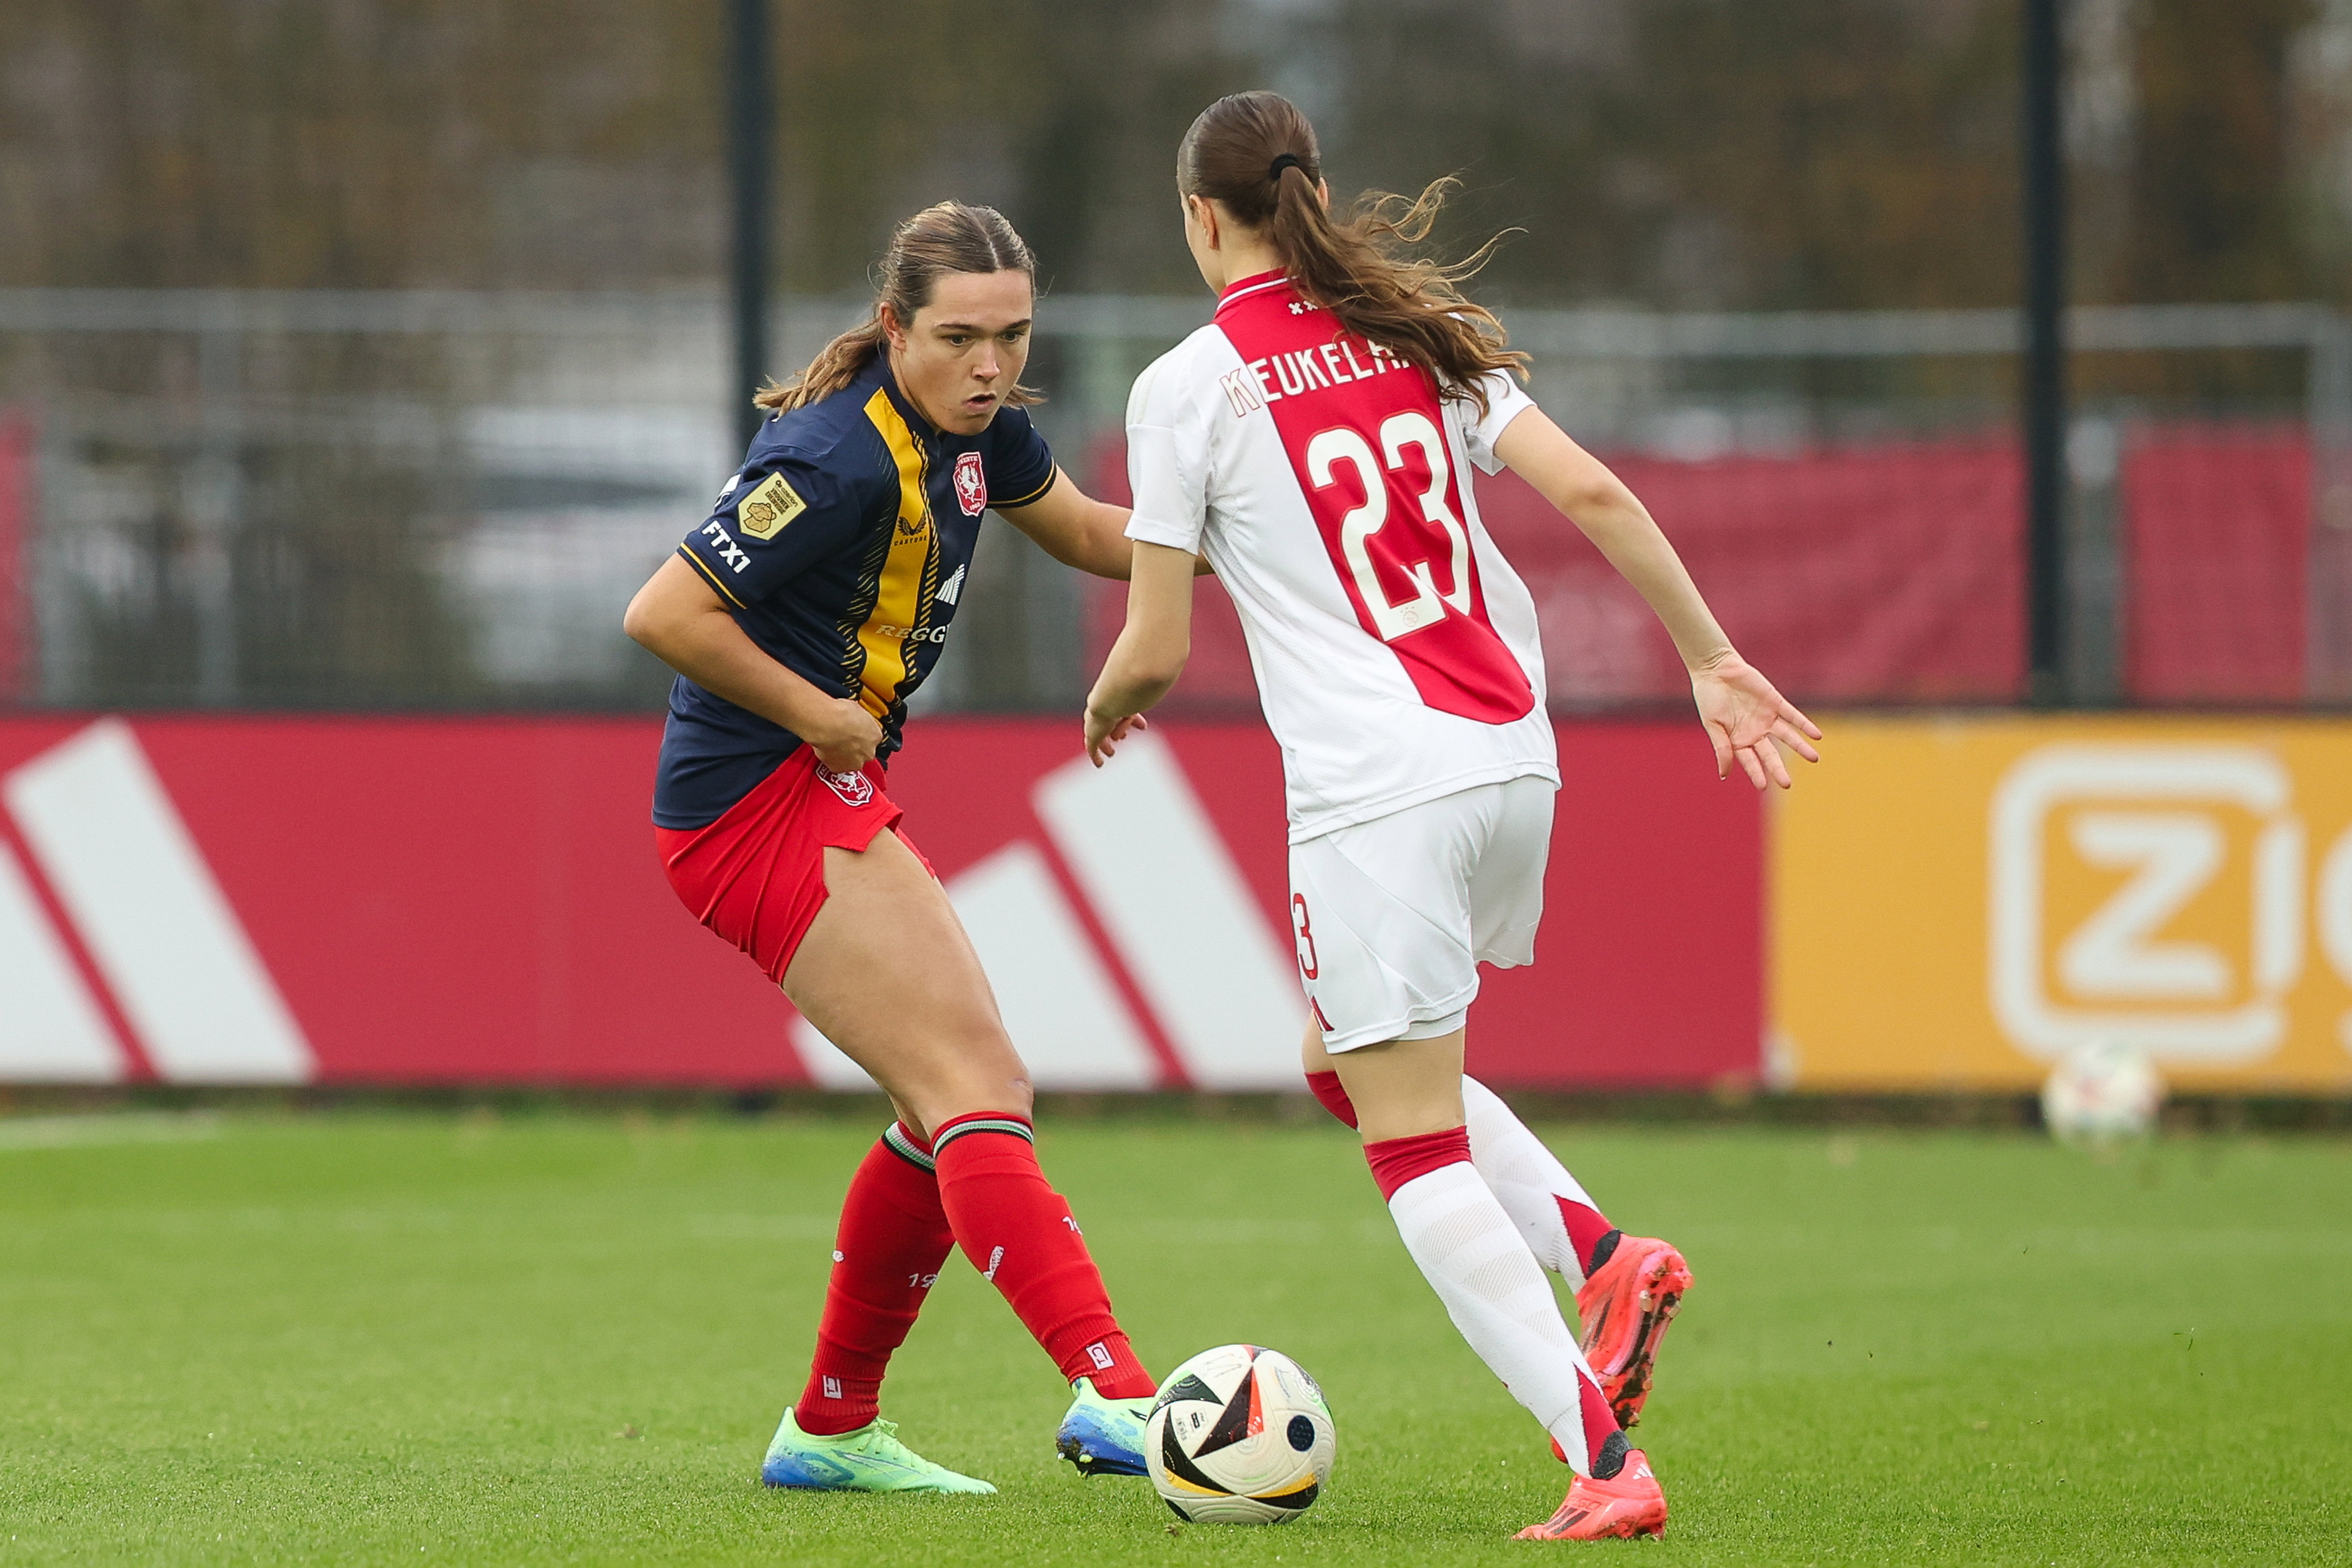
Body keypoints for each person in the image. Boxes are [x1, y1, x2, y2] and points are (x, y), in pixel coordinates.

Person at [1082, 93, 1821, 1542]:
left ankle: (1599, 1455)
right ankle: (1600, 1255)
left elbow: (1155, 641)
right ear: (1305, 196)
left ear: (1197, 218)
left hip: (1376, 793)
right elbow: (1596, 490)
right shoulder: (1410, 329)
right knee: (1339, 1055)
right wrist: (1710, 659)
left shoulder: (1183, 385)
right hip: (1507, 757)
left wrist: (1109, 702)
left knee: (1405, 1138)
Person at [623, 201, 1166, 1495]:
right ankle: (1118, 1394)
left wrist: (1235, 529)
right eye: (959, 337)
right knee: (977, 1080)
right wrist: (821, 715)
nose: (990, 364)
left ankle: (828, 1427)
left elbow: (1095, 535)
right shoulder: (835, 459)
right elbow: (662, 610)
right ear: (894, 328)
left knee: (944, 1105)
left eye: (1013, 335)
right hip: (750, 803)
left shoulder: (983, 431)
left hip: (810, 790)